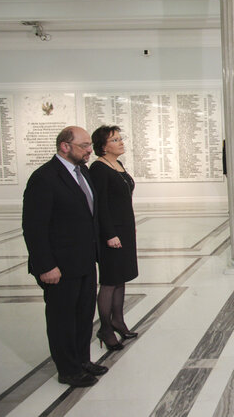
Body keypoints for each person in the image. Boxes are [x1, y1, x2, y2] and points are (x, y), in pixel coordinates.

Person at [22, 126, 107, 387]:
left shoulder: (83, 173)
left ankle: (82, 359)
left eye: (90, 146)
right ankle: (68, 369)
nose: (89, 150)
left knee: (83, 315)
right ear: (65, 146)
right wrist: (46, 265)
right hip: (59, 266)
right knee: (62, 319)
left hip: (84, 261)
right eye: (84, 146)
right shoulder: (45, 178)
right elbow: (34, 227)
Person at [89, 125, 139, 351]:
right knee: (109, 280)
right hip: (112, 233)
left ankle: (118, 320)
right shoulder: (98, 169)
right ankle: (106, 328)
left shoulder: (116, 164)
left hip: (124, 229)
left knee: (121, 277)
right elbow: (100, 206)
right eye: (115, 140)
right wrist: (110, 234)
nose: (121, 142)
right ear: (103, 146)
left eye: (120, 138)